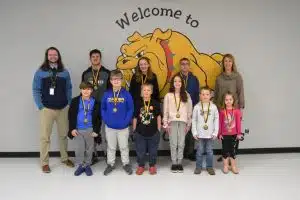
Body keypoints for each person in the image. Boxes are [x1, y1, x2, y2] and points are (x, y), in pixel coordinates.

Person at [32, 47, 74, 173]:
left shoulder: (64, 72)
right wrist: (40, 106)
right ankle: (44, 163)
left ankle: (64, 158)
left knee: (63, 136)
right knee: (45, 137)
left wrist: (69, 103)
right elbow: (35, 90)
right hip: (47, 109)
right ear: (47, 56)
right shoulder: (40, 72)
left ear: (58, 56)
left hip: (62, 109)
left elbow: (69, 88)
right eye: (50, 55)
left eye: (55, 54)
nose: (53, 56)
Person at [101, 69, 134, 175]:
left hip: (123, 126)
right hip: (110, 126)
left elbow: (130, 109)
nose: (116, 81)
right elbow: (103, 108)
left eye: (118, 79)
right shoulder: (106, 94)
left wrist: (126, 121)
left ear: (122, 80)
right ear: (110, 81)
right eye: (113, 79)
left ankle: (126, 164)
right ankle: (110, 164)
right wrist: (106, 120)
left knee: (124, 146)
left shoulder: (127, 94)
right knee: (111, 147)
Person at [81, 49, 111, 165]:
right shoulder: (86, 73)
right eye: (93, 57)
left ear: (100, 58)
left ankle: (107, 153)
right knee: (91, 131)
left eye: (97, 56)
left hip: (104, 106)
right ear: (90, 59)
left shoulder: (107, 73)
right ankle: (93, 155)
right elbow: (83, 91)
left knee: (104, 132)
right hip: (90, 106)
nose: (95, 58)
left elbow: (110, 91)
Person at [214, 54, 245, 162]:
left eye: (230, 61)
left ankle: (233, 156)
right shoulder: (219, 78)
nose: (227, 63)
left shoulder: (237, 77)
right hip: (222, 109)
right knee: (224, 132)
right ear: (223, 63)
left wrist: (240, 108)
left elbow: (241, 92)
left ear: (233, 63)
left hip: (234, 109)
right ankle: (225, 155)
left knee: (234, 133)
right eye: (225, 61)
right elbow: (217, 93)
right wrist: (215, 108)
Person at [67, 82, 102, 176]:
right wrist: (72, 129)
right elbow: (70, 116)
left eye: (88, 89)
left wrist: (96, 131)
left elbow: (99, 118)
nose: (86, 91)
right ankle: (81, 165)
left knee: (89, 148)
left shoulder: (96, 102)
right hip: (78, 129)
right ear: (80, 90)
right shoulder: (75, 101)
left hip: (90, 129)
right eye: (84, 89)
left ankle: (87, 165)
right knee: (79, 148)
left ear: (91, 90)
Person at [163, 75, 192, 173]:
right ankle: (174, 162)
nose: (177, 83)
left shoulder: (186, 95)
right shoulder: (168, 95)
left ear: (182, 83)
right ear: (172, 83)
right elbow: (165, 111)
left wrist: (189, 124)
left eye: (179, 81)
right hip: (172, 122)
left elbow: (189, 111)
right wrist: (165, 124)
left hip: (183, 122)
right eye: (175, 81)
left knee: (181, 143)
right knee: (173, 143)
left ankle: (180, 162)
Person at [133, 83, 161, 175]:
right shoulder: (138, 103)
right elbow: (135, 117)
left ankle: (152, 165)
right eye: (144, 90)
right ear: (141, 92)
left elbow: (158, 117)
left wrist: (159, 130)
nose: (146, 92)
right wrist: (134, 130)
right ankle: (141, 165)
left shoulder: (155, 103)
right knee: (140, 150)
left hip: (153, 132)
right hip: (140, 132)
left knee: (153, 151)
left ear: (151, 92)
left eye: (148, 90)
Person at [177, 58, 200, 161]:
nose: (184, 66)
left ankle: (190, 152)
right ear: (180, 66)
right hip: (179, 109)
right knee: (180, 131)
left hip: (192, 108)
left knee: (190, 131)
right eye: (182, 64)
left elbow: (197, 94)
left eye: (186, 64)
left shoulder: (194, 78)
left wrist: (196, 108)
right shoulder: (176, 78)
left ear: (189, 66)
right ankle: (179, 152)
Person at [192, 87, 219, 175]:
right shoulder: (196, 107)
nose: (205, 96)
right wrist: (194, 132)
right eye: (203, 94)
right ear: (200, 96)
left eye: (207, 94)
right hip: (200, 134)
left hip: (210, 134)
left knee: (209, 151)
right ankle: (198, 167)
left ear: (210, 96)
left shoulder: (213, 107)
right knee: (199, 151)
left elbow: (216, 120)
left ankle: (209, 167)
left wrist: (215, 132)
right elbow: (194, 120)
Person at [218, 92, 242, 174]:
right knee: (225, 151)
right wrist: (220, 133)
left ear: (233, 100)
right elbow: (220, 123)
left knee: (233, 151)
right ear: (224, 101)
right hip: (224, 135)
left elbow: (238, 123)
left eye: (230, 99)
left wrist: (239, 133)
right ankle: (225, 165)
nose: (228, 101)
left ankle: (233, 166)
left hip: (234, 134)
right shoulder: (222, 112)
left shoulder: (237, 111)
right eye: (226, 100)